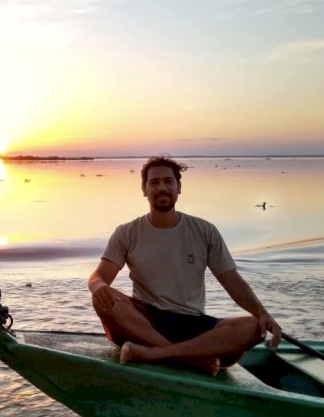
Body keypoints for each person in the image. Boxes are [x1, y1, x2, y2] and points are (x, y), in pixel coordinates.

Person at [88, 155, 282, 375]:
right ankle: (190, 358)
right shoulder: (127, 233)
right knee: (104, 301)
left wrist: (262, 313)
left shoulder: (204, 231)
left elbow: (232, 281)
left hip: (194, 323)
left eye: (168, 181)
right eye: (154, 182)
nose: (162, 187)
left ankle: (156, 353)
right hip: (145, 322)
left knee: (254, 327)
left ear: (179, 187)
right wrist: (98, 287)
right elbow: (99, 276)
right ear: (144, 189)